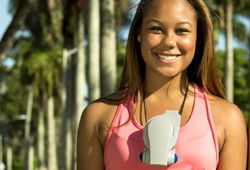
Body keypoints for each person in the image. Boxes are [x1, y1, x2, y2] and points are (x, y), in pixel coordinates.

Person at [77, 0, 247, 169]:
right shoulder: (97, 117)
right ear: (138, 33)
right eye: (156, 29)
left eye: (182, 31)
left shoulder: (227, 119)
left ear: (198, 38)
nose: (169, 42)